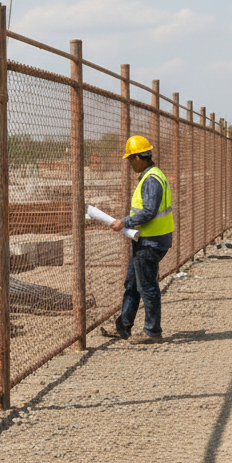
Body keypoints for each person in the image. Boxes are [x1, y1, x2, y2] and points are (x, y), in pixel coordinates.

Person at [99, 135, 174, 344]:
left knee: (147, 286)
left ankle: (152, 331)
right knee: (132, 283)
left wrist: (124, 222)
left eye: (131, 159)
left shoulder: (151, 179)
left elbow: (149, 212)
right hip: (148, 239)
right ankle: (123, 326)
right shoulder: (153, 175)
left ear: (139, 157)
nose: (130, 164)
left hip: (151, 242)